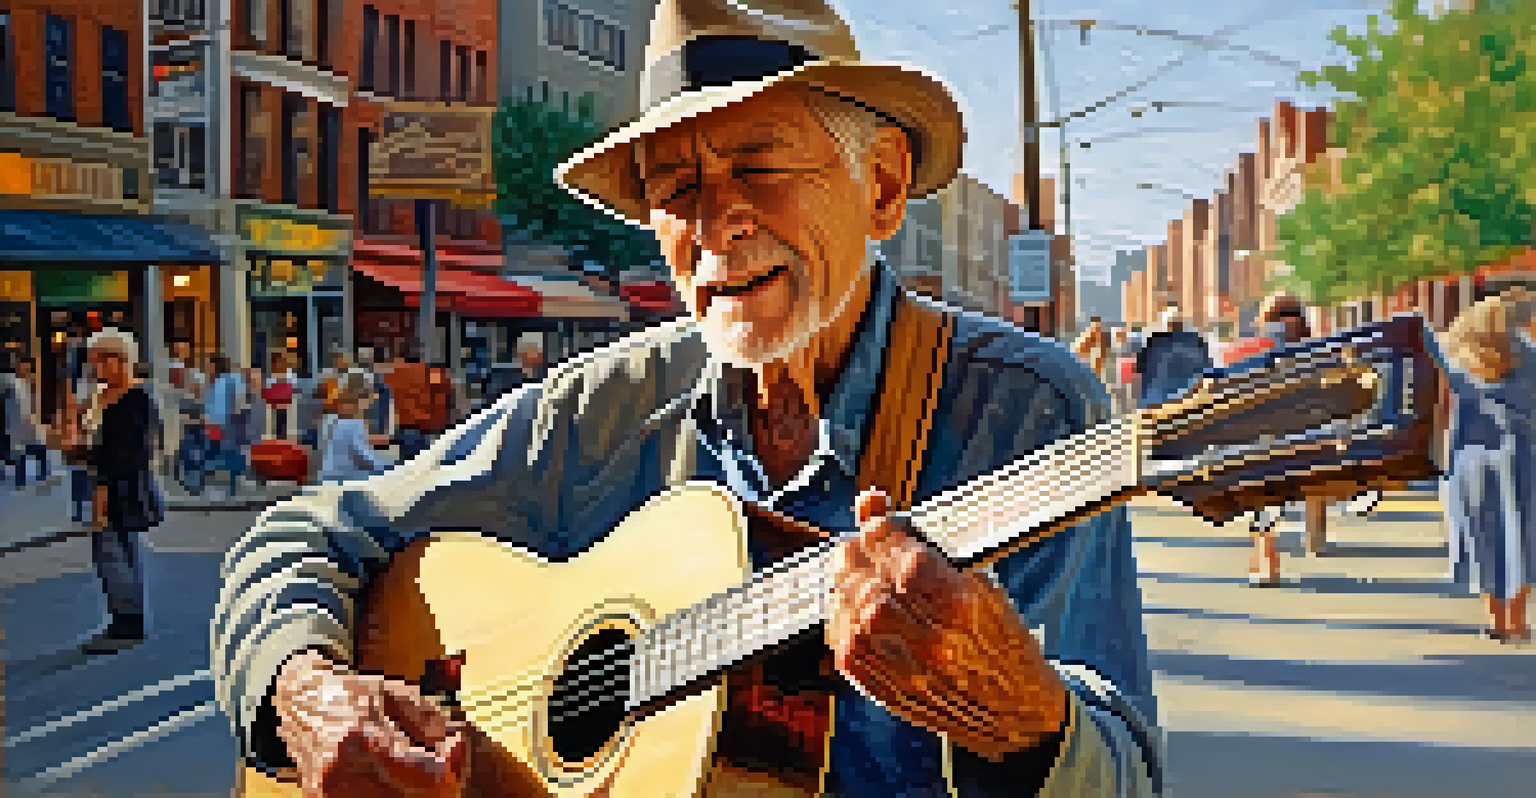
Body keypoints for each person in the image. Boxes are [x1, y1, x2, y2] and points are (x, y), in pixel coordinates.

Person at [211, 3, 1161, 795]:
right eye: (677, 186)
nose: (717, 222)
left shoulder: (1029, 415)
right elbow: (302, 535)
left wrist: (1027, 717)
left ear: (879, 186)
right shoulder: (605, 408)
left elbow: (1124, 776)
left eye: (758, 166)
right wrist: (307, 691)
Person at [1434, 292, 1536, 642]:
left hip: (1471, 462)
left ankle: (1495, 620)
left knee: (1484, 538)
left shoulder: (1459, 360)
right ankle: (1518, 621)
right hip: (1524, 457)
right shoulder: (1530, 357)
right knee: (1523, 539)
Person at [67, 330, 164, 653]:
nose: (94, 368)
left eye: (98, 361)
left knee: (113, 554)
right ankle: (125, 619)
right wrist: (77, 448)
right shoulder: (103, 398)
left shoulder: (136, 401)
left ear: (118, 361)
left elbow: (130, 454)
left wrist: (102, 489)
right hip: (108, 485)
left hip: (122, 489)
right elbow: (101, 446)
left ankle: (127, 623)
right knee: (120, 553)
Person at [1135, 306, 1213, 409]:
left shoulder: (1154, 344)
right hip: (1176, 401)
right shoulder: (1194, 341)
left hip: (1161, 402)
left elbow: (1140, 370)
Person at [4, 355, 48, 488]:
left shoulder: (31, 384)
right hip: (17, 425)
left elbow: (35, 404)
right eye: (23, 365)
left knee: (39, 449)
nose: (25, 368)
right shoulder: (12, 381)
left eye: (27, 366)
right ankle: (20, 481)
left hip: (30, 424)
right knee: (20, 453)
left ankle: (42, 475)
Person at [263, 351, 297, 441]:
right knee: (276, 424)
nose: (278, 364)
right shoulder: (271, 375)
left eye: (279, 362)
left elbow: (292, 388)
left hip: (285, 404)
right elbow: (268, 389)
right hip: (275, 404)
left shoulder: (289, 374)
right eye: (276, 362)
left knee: (284, 424)